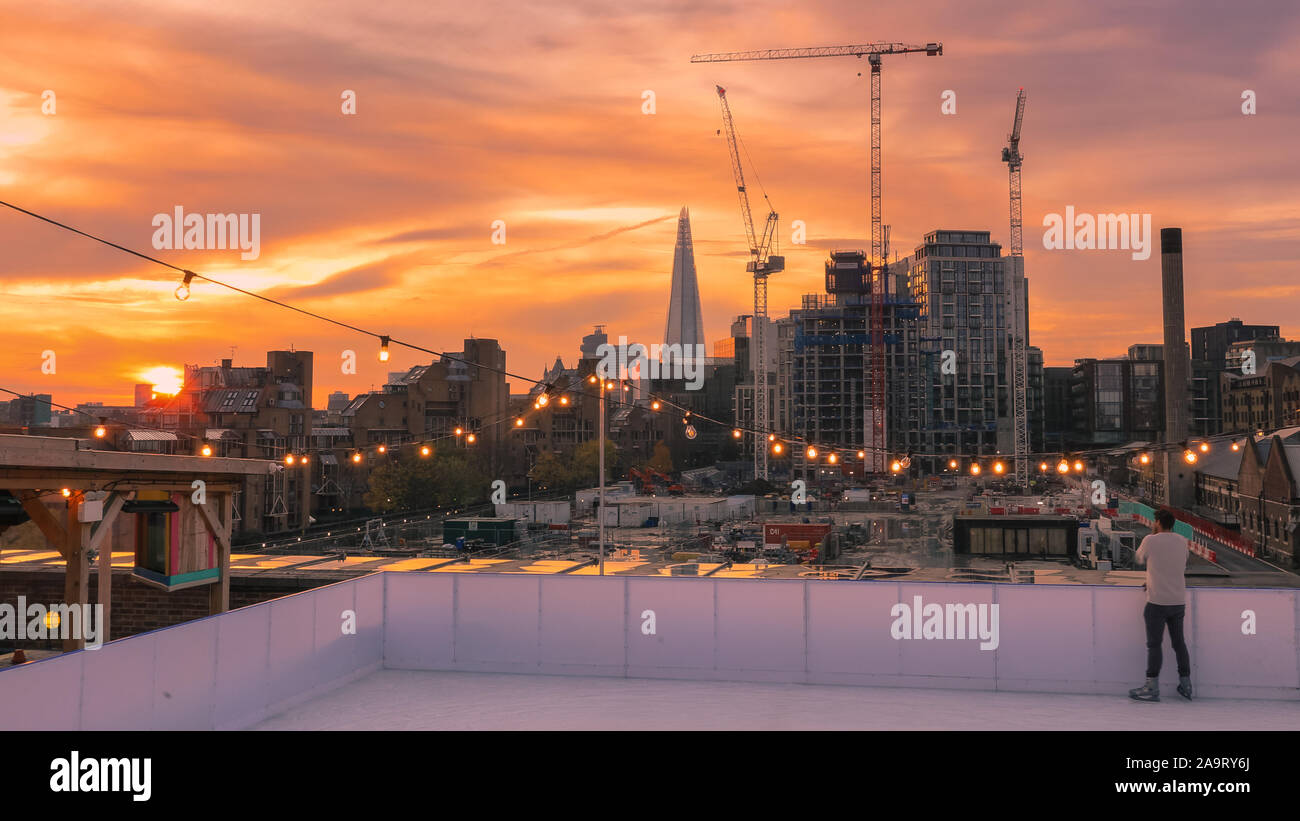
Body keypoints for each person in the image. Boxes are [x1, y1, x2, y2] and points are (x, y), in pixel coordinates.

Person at [1129, 509, 1193, 702]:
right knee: (1179, 644)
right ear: (1173, 524)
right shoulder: (1182, 541)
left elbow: (1139, 558)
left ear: (1157, 522)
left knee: (1154, 645)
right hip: (1178, 600)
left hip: (1157, 601)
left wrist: (1154, 535)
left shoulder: (1150, 540)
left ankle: (1151, 686)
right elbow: (1180, 563)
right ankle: (1186, 684)